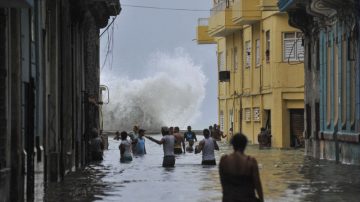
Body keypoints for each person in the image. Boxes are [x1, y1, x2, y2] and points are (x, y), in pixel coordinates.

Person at [219, 133, 264, 202]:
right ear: (245, 145)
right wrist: (262, 199)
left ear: (232, 144)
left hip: (229, 199)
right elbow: (257, 184)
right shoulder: (251, 162)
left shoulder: (224, 161)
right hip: (247, 199)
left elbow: (223, 183)